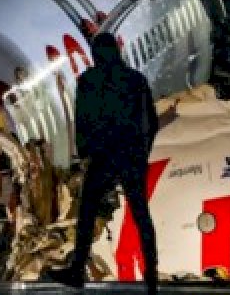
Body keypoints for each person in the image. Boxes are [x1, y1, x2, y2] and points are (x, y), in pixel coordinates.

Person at [53, 32, 159, 292]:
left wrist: (86, 152)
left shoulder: (88, 81)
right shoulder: (136, 80)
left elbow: (82, 122)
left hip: (103, 156)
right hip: (130, 156)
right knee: (141, 214)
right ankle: (152, 273)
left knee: (87, 212)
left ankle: (77, 269)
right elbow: (151, 122)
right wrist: (141, 153)